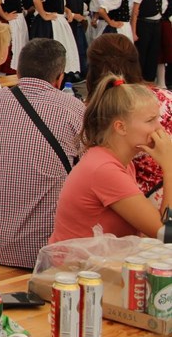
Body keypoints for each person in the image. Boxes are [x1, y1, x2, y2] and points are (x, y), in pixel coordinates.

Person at [0, 38, 84, 269]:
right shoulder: (75, 109)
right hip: (45, 253)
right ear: (59, 78)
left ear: (18, 72)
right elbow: (87, 167)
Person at [51, 75, 170, 242]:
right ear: (120, 127)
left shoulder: (117, 160)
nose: (159, 128)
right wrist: (169, 167)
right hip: (78, 259)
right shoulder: (104, 169)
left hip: (94, 257)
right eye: (150, 120)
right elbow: (166, 233)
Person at [87, 34, 172, 211]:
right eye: (151, 120)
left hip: (113, 205)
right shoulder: (165, 99)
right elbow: (162, 226)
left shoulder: (90, 112)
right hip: (143, 204)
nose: (158, 128)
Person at [30, 0, 81, 77]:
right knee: (48, 53)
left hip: (58, 22)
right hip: (48, 24)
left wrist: (67, 10)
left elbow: (58, 4)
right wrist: (44, 15)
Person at [131, 0, 164, 83]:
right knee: (142, 53)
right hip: (144, 24)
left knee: (153, 53)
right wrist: (134, 31)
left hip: (156, 24)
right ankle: (139, 79)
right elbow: (135, 11)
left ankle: (150, 79)